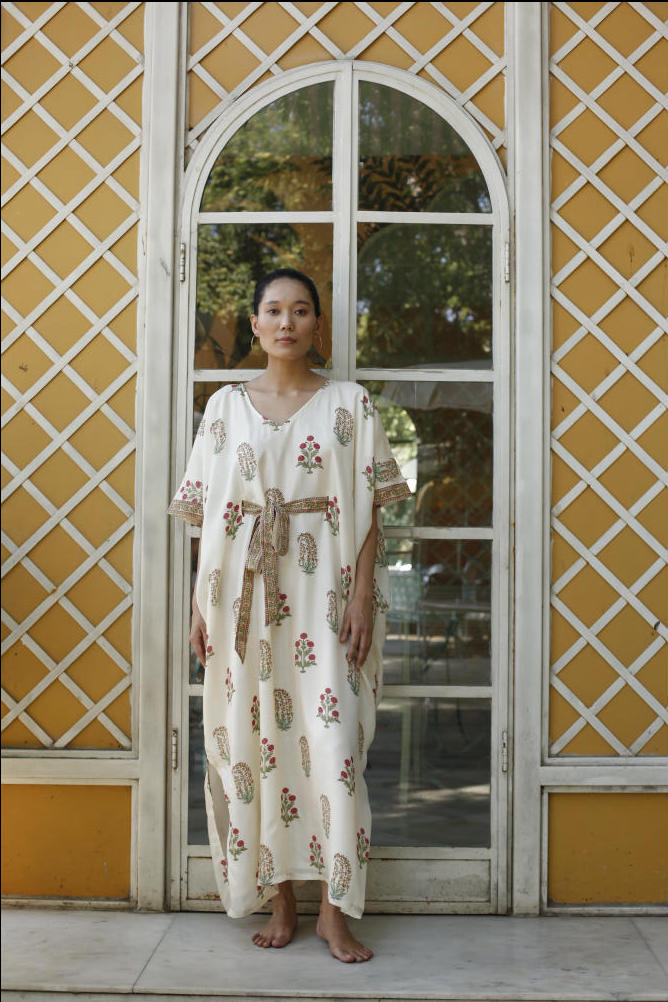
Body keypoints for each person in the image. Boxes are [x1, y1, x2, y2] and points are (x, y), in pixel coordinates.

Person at [168, 268, 411, 963]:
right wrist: (200, 605)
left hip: (326, 598)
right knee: (254, 746)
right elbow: (206, 517)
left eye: (300, 310)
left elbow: (372, 513)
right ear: (255, 324)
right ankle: (280, 902)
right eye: (273, 310)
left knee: (334, 747)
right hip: (242, 604)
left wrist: (362, 596)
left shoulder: (350, 405)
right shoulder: (223, 409)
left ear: (317, 324)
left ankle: (335, 912)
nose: (286, 322)